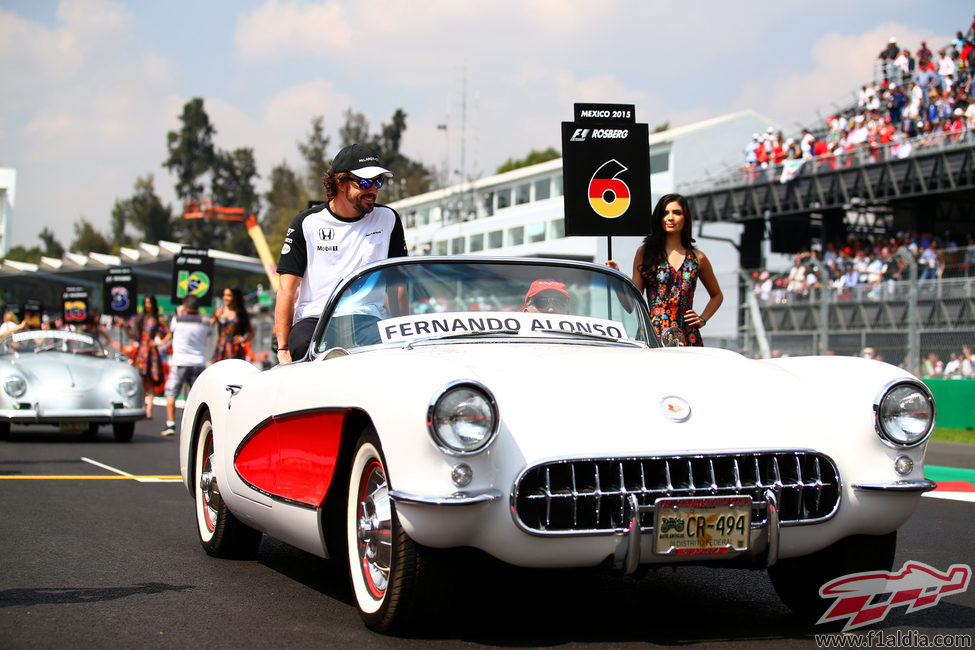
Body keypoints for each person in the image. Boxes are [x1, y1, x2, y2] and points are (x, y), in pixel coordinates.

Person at [274, 143, 408, 363]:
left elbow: (398, 283)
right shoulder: (306, 223)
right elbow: (286, 289)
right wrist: (283, 348)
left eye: (378, 182)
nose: (373, 190)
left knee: (385, 356)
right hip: (316, 317)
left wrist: (405, 335)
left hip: (367, 317)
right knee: (301, 347)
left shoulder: (388, 219)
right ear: (339, 181)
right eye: (365, 182)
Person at [606, 193, 723, 346]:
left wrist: (702, 319)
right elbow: (631, 304)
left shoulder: (698, 258)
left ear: (686, 218)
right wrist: (617, 277)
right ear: (659, 218)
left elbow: (717, 295)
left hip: (688, 335)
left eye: (677, 213)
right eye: (665, 213)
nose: (670, 218)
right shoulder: (645, 253)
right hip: (653, 334)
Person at [157, 295, 210, 436]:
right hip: (198, 362)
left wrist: (179, 311)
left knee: (171, 393)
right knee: (197, 397)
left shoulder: (177, 321)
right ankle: (194, 427)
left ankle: (170, 424)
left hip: (180, 362)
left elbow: (173, 327)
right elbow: (210, 328)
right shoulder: (204, 321)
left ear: (185, 307)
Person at [124, 295, 170, 418]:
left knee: (151, 379)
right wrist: (124, 327)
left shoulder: (157, 318)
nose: (147, 305)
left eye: (149, 303)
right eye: (146, 303)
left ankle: (149, 407)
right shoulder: (140, 319)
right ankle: (143, 406)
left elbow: (168, 333)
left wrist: (159, 342)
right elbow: (133, 334)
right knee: (141, 379)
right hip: (141, 351)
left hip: (152, 351)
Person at [212, 287, 253, 362]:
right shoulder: (219, 312)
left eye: (228, 295)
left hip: (235, 349)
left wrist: (243, 339)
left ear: (234, 297)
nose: (225, 298)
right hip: (221, 348)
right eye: (224, 295)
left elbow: (251, 333)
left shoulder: (241, 313)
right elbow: (209, 325)